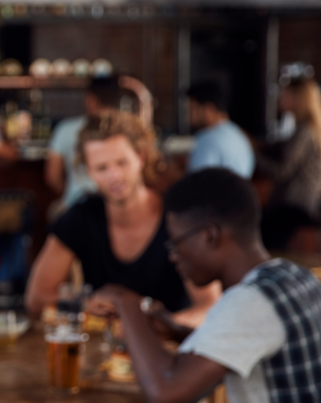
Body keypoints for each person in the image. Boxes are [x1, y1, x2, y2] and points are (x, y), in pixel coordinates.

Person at [68, 168, 321, 403]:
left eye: (175, 242)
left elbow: (163, 392)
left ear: (210, 236)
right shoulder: (290, 276)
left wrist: (125, 302)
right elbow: (238, 344)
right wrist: (172, 329)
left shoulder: (249, 303)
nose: (173, 256)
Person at [26, 111, 220, 326]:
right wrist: (87, 303)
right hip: (107, 353)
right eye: (101, 168)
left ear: (140, 157)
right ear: (88, 172)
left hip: (173, 348)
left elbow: (210, 306)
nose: (114, 176)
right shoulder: (81, 217)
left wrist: (160, 327)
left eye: (121, 163)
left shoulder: (180, 216)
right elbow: (36, 298)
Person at [259, 77, 321, 250]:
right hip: (299, 205)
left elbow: (281, 171)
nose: (280, 98)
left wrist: (253, 156)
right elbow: (278, 147)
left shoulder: (305, 132)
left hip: (293, 208)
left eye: (284, 94)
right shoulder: (306, 130)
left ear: (297, 98)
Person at [45, 76, 120, 211]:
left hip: (77, 205)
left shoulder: (66, 129)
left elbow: (52, 177)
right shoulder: (130, 131)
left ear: (91, 99)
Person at [186, 80, 255, 178]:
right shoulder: (238, 134)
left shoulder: (207, 139)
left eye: (191, 109)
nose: (187, 116)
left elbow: (197, 184)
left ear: (208, 109)